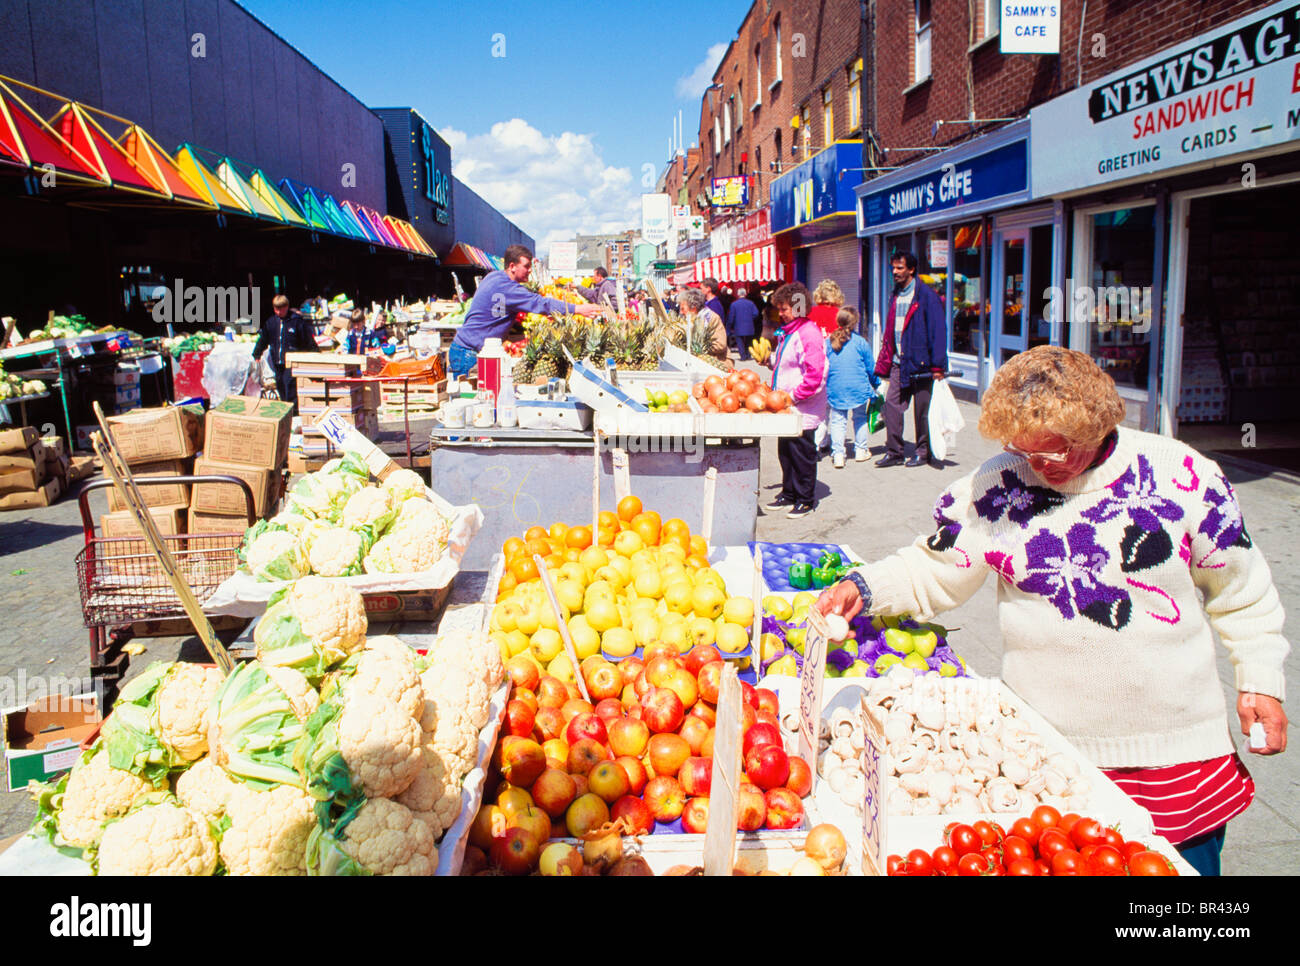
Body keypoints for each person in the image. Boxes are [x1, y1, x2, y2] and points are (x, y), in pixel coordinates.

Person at [816, 346, 1289, 876]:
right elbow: (936, 568)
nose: (1039, 467)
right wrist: (865, 585)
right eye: (1024, 452)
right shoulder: (999, 485)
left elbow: (1242, 592)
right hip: (1045, 759)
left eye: (1057, 453)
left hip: (1176, 756)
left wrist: (1261, 679)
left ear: (1099, 428)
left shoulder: (1183, 475)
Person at [449, 244, 606, 378]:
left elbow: (497, 312)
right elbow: (540, 303)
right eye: (526, 266)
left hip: (467, 348)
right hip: (469, 354)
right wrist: (577, 309)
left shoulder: (494, 277)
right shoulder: (507, 287)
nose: (530, 270)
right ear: (512, 266)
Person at [761, 282, 827, 519]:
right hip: (786, 407)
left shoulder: (808, 333)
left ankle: (805, 499)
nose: (780, 313)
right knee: (786, 452)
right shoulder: (789, 331)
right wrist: (768, 361)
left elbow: (816, 373)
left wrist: (795, 396)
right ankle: (789, 493)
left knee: (802, 454)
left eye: (784, 308)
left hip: (803, 408)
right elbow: (786, 363)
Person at [876, 250, 947, 469]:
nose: (895, 272)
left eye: (899, 268)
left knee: (922, 411)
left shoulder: (927, 296)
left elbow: (938, 332)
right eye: (893, 267)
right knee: (892, 405)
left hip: (923, 365)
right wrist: (885, 361)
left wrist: (937, 366)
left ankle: (923, 452)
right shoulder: (895, 294)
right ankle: (895, 451)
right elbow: (891, 331)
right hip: (900, 363)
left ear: (911, 269)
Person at [824, 306, 879, 468]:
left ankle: (838, 454)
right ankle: (861, 450)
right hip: (858, 387)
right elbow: (870, 368)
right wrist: (877, 384)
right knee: (860, 418)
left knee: (838, 421)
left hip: (836, 387)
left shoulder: (828, 342)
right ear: (855, 322)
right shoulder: (861, 342)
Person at [253, 293, 318, 407]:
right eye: (276, 309)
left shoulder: (297, 321)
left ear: (286, 307)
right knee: (281, 385)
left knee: (291, 387)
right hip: (278, 362)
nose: (279, 312)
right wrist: (257, 353)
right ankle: (285, 408)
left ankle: (293, 410)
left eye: (281, 309)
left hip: (292, 363)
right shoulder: (271, 322)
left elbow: (308, 340)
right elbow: (263, 339)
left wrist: (315, 355)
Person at [675, 288, 728, 361]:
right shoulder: (686, 319)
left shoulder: (711, 318)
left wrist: (695, 347)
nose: (681, 312)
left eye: (683, 309)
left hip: (716, 360)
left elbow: (720, 345)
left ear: (694, 308)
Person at [727, 286, 760, 361]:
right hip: (749, 325)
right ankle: (748, 355)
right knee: (748, 341)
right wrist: (750, 319)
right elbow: (756, 313)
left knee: (740, 341)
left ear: (738, 294)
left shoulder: (734, 304)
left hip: (738, 326)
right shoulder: (751, 303)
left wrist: (730, 326)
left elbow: (731, 316)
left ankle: (743, 356)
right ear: (745, 294)